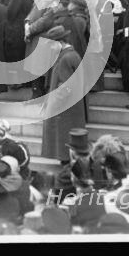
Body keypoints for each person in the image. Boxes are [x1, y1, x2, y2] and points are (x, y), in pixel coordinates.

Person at [40, 26, 87, 161]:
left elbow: (65, 87)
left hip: (64, 109)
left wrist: (52, 105)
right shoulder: (72, 55)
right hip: (72, 108)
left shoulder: (65, 59)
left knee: (63, 143)